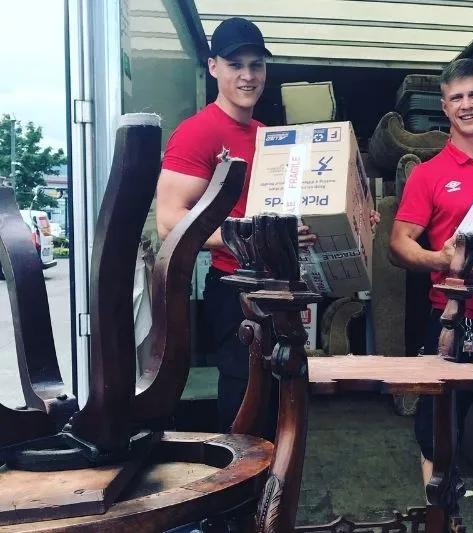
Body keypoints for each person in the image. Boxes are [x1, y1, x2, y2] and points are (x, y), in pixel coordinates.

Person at [155, 17, 378, 436]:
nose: (247, 75)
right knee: (245, 407)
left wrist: (352, 215)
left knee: (282, 401)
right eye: (235, 64)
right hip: (235, 289)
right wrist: (255, 240)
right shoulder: (196, 134)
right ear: (213, 66)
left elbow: (288, 214)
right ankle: (236, 499)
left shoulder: (267, 137)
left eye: (256, 65)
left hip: (280, 289)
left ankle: (274, 495)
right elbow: (170, 224)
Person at [389, 58, 473, 533]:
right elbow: (399, 244)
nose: (466, 105)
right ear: (445, 108)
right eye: (456, 98)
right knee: (435, 420)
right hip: (453, 318)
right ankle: (441, 518)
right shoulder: (428, 174)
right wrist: (441, 260)